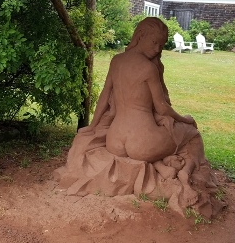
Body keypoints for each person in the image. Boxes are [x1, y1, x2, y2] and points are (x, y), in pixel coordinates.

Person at [85, 17, 205, 205]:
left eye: (162, 45)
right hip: (142, 142)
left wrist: (93, 125)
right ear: (140, 36)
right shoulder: (149, 68)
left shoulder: (116, 61)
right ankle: (184, 173)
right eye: (154, 42)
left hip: (115, 140)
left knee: (159, 137)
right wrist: (185, 119)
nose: (158, 49)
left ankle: (158, 164)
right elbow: (162, 108)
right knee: (192, 133)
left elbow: (104, 96)